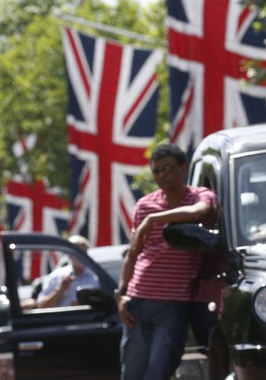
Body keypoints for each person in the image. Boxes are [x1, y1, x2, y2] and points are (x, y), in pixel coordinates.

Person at [116, 143, 218, 380]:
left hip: (174, 304)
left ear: (183, 168)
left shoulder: (199, 196)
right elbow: (133, 254)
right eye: (157, 171)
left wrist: (154, 219)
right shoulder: (144, 205)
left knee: (159, 371)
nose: (163, 175)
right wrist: (120, 293)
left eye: (168, 169)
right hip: (138, 300)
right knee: (132, 372)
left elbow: (201, 212)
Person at [36, 234, 100, 308]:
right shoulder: (57, 276)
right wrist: (60, 290)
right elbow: (41, 306)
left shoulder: (97, 278)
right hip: (63, 318)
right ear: (69, 254)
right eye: (75, 252)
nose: (79, 256)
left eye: (82, 252)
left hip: (91, 318)